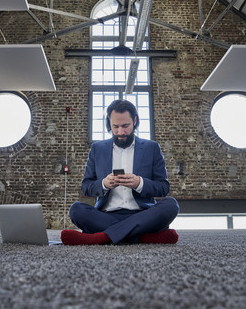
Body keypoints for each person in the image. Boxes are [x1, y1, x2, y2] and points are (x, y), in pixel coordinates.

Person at [61, 99, 179, 245]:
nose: (120, 132)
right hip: (107, 215)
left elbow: (163, 188)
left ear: (135, 121)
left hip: (142, 214)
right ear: (109, 124)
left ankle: (101, 237)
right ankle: (142, 236)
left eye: (125, 126)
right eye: (115, 126)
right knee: (76, 210)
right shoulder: (97, 149)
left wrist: (139, 183)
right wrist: (103, 184)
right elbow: (86, 186)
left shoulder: (152, 148)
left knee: (171, 205)